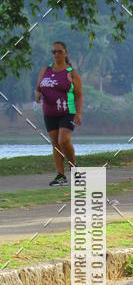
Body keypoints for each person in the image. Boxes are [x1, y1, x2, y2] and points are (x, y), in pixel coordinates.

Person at [35, 41, 83, 186]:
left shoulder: (71, 72)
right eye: (54, 52)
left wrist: (79, 113)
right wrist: (37, 94)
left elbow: (79, 95)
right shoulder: (46, 70)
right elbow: (38, 88)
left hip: (67, 112)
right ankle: (60, 175)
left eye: (59, 51)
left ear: (65, 53)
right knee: (56, 144)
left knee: (63, 140)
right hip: (49, 113)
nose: (56, 54)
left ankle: (75, 169)